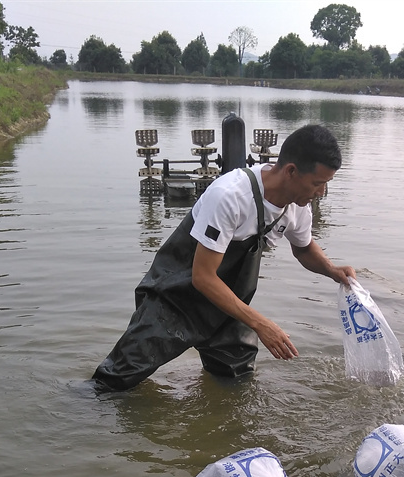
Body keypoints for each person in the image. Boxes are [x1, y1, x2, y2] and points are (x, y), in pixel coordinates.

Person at [93, 124, 356, 391]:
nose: (321, 192)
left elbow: (303, 248)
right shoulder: (230, 195)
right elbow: (203, 277)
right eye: (318, 183)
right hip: (174, 299)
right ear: (291, 171)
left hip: (227, 308)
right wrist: (262, 324)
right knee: (113, 383)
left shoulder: (297, 205)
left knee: (235, 382)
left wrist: (332, 270)